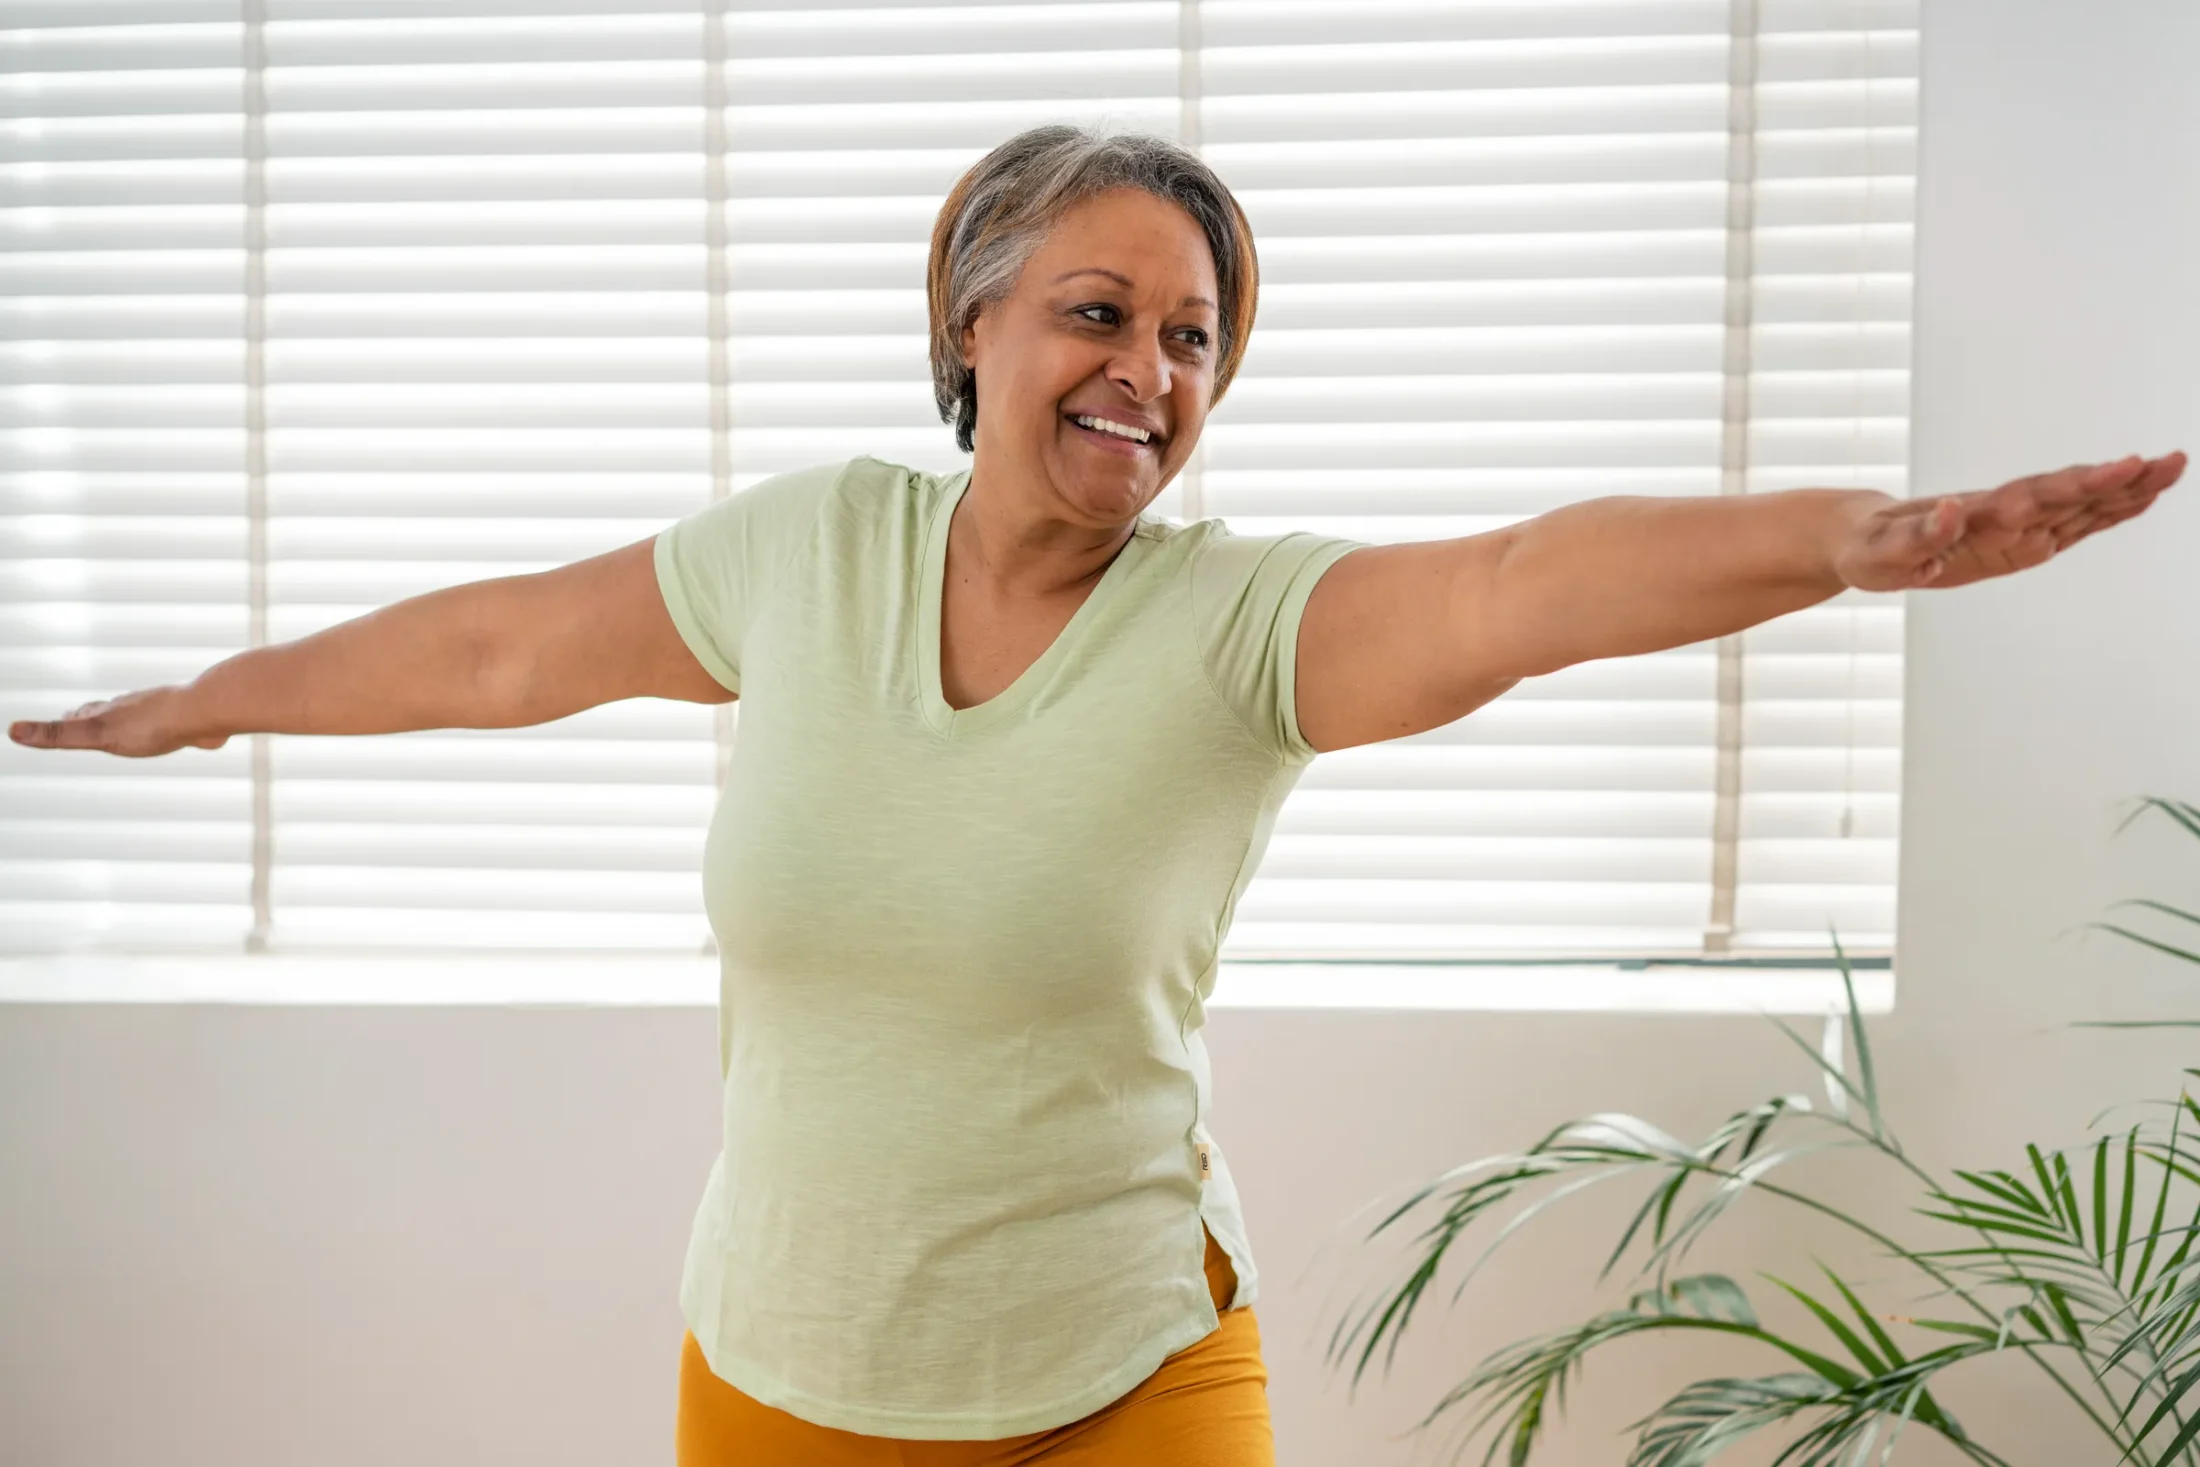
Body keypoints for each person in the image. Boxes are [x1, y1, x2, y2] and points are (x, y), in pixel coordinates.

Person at [7, 123, 2184, 1466]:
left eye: (1196, 334)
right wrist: (204, 700)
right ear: (970, 327)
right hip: (784, 1372)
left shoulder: (1242, 629)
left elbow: (1527, 584)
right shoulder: (802, 556)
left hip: (1125, 1383)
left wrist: (1852, 540)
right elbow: (489, 652)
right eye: (1095, 309)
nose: (1149, 366)